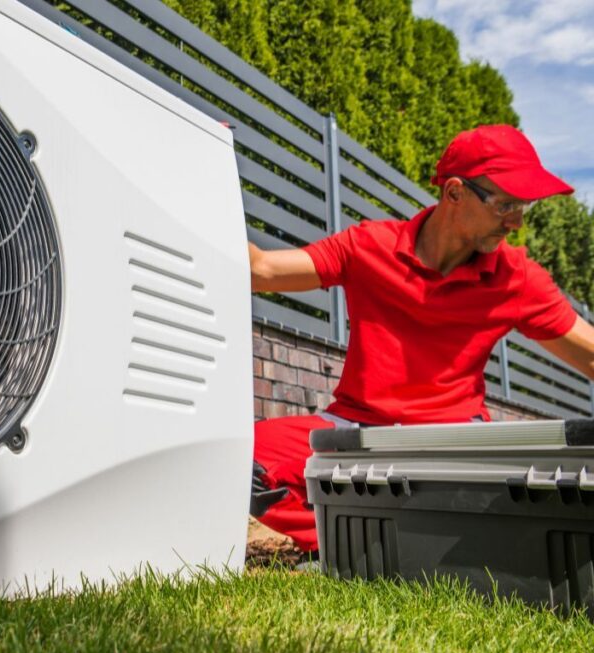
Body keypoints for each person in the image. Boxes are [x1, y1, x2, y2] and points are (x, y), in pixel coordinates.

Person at [248, 124, 594, 553]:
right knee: (244, 460)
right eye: (506, 204)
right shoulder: (367, 247)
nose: (517, 222)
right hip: (357, 431)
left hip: (453, 441)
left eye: (524, 207)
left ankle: (391, 541)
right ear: (454, 193)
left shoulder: (516, 278)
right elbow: (261, 271)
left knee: (523, 500)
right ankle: (353, 544)